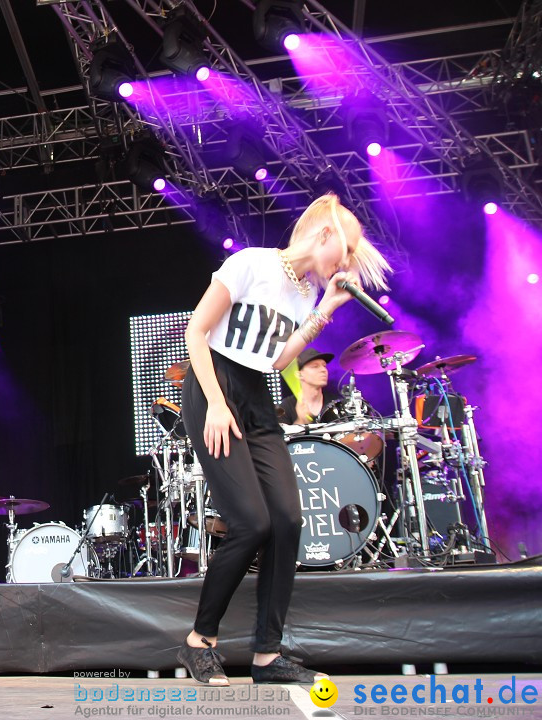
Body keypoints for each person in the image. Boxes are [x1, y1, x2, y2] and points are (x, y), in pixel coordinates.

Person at [176, 193, 391, 685]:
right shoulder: (250, 264)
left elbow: (277, 360)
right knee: (251, 523)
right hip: (214, 383)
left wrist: (330, 307)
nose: (348, 261)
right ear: (323, 236)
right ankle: (198, 641)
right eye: (347, 249)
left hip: (255, 394)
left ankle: (267, 655)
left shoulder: (302, 294)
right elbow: (195, 332)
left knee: (288, 519)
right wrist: (213, 401)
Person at [277, 347, 336, 425]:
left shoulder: (336, 403)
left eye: (324, 366)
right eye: (315, 366)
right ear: (299, 374)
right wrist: (300, 421)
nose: (323, 370)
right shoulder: (286, 407)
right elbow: (281, 436)